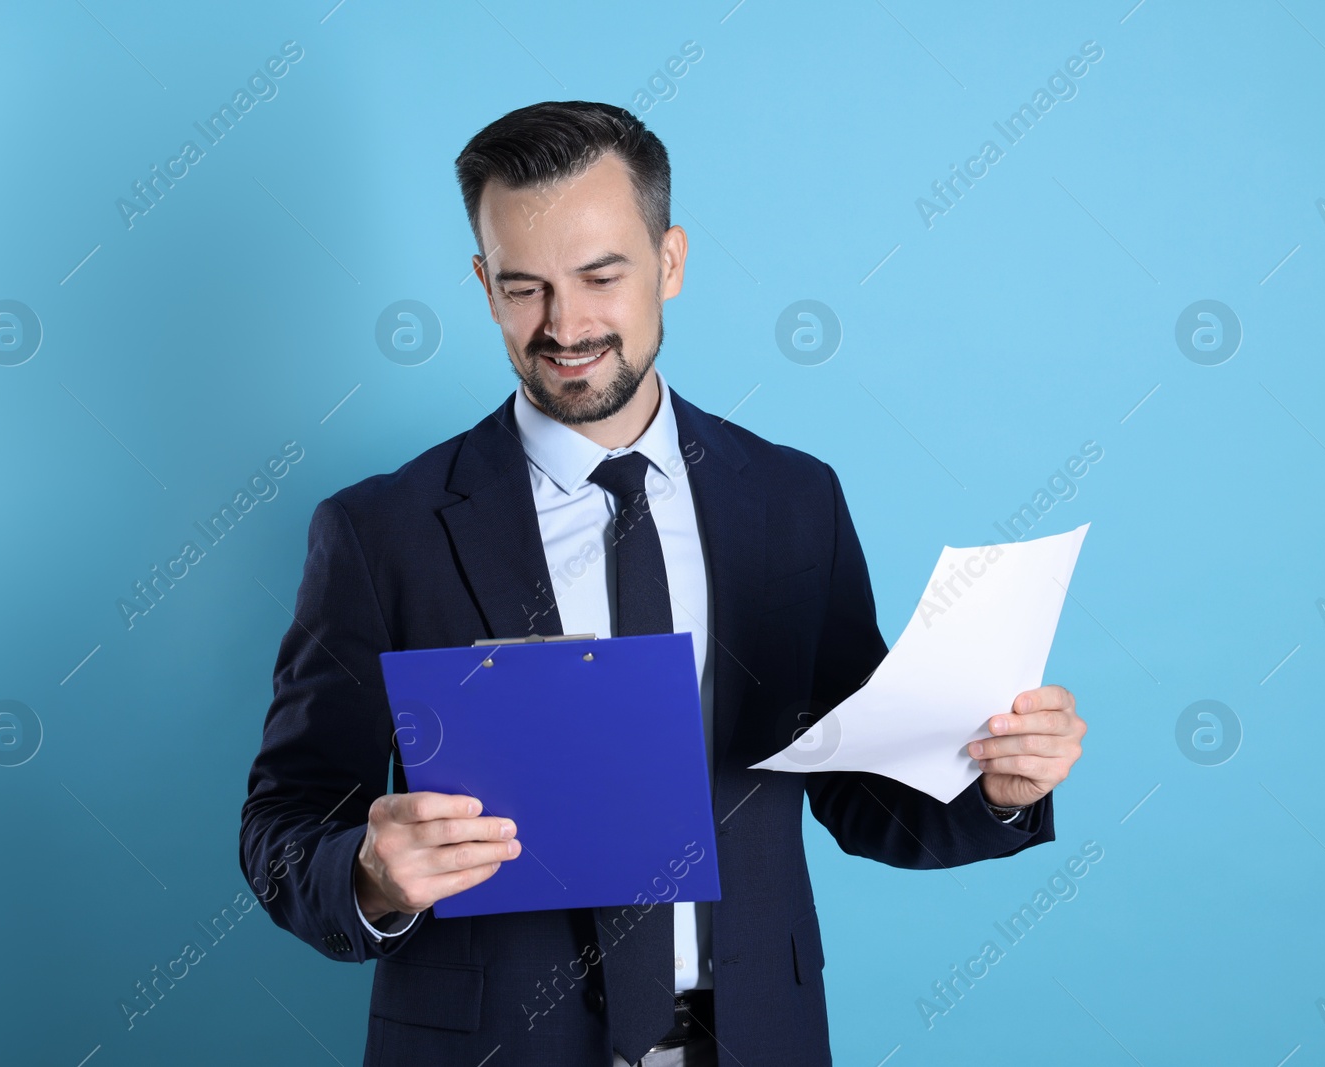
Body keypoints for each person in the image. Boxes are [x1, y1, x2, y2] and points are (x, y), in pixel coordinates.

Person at [239, 100, 1087, 1067]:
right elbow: (281, 822)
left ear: (669, 262)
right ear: (483, 286)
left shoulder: (792, 500)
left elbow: (861, 785)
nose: (565, 326)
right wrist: (368, 875)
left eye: (602, 276)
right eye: (524, 288)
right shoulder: (378, 531)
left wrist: (999, 787)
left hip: (757, 1040)